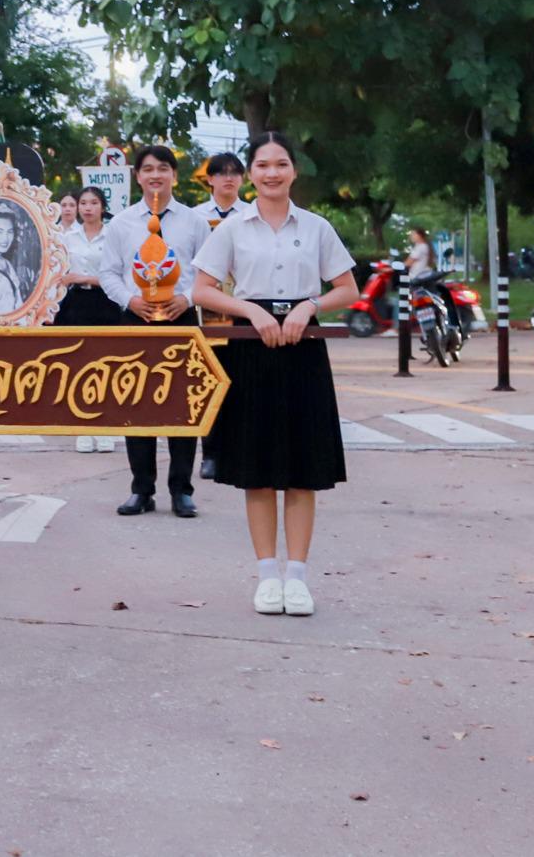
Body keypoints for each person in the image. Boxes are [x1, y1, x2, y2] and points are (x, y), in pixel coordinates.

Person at [190, 131, 360, 617]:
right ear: (250, 173)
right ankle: (267, 577)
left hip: (303, 348)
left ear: (294, 171)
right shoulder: (232, 228)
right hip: (253, 347)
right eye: (262, 165)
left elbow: (347, 288)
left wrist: (309, 306)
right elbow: (202, 289)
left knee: (303, 470)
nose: (271, 173)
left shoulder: (316, 226)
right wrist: (250, 310)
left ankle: (298, 579)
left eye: (280, 164)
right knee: (259, 471)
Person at [98, 145, 209, 517]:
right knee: (137, 404)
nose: (155, 175)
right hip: (136, 320)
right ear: (138, 177)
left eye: (163, 168)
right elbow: (108, 273)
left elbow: (212, 274)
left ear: (174, 175)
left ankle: (182, 490)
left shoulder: (194, 222)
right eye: (148, 169)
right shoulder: (121, 223)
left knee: (182, 405)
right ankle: (141, 489)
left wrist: (189, 297)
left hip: (181, 320)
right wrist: (129, 301)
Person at [55, 185, 118, 453]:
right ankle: (82, 426)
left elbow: (119, 273)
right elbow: (59, 272)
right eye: (83, 203)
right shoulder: (68, 237)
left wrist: (85, 278)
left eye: (93, 202)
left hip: (107, 303)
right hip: (76, 304)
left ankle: (105, 426)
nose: (88, 208)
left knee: (106, 364)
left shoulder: (114, 235)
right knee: (78, 364)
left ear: (102, 206)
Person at [197, 152, 247, 479]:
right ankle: (211, 453)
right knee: (208, 381)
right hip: (207, 310)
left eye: (234, 173)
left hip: (245, 306)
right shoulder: (195, 217)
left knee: (244, 380)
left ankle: (241, 450)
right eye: (222, 173)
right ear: (210, 179)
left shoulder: (253, 215)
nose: (228, 178)